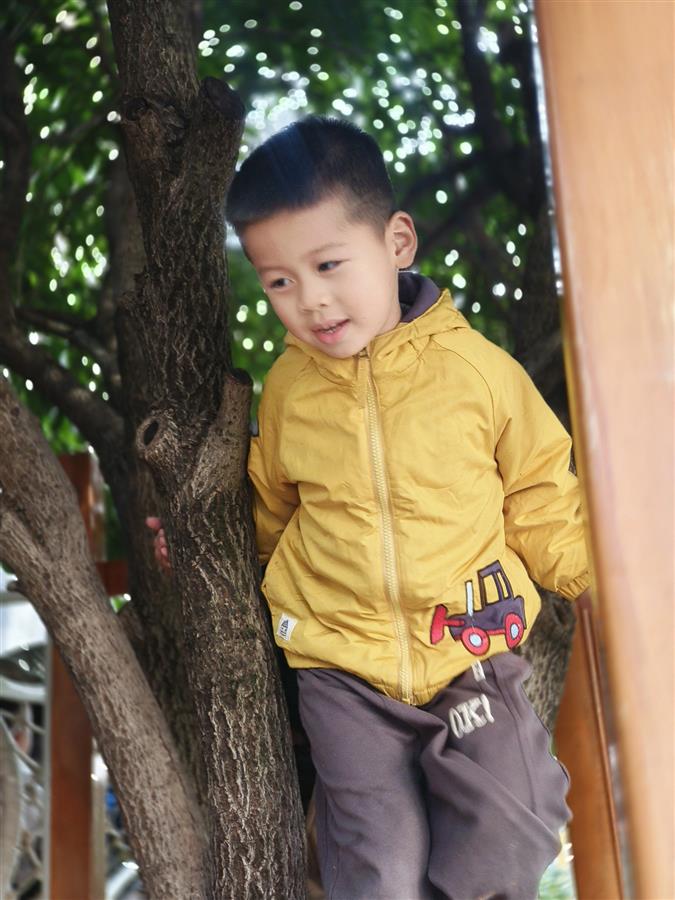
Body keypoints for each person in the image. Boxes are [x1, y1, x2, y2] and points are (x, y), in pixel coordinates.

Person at [147, 115, 590, 899]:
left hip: (469, 654)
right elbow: (273, 511)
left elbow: (540, 493)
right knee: (378, 867)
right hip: (343, 672)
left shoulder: (478, 372)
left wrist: (601, 581)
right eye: (278, 281)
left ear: (396, 242)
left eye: (327, 265)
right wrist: (200, 549)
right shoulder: (289, 391)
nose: (309, 300)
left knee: (511, 829)